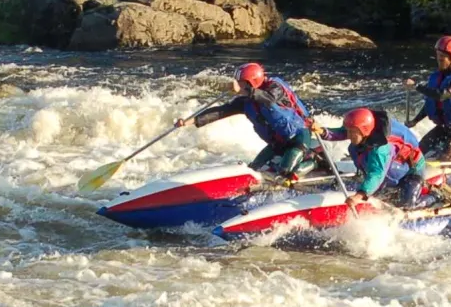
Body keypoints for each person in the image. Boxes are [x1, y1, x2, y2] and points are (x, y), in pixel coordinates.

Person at [177, 62, 323, 178]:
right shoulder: (245, 102)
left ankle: (315, 161)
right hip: (278, 143)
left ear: (252, 82)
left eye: (242, 82)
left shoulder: (275, 87)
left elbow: (269, 99)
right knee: (252, 170)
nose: (239, 86)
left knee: (285, 171)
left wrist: (246, 90)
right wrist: (188, 121)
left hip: (298, 136)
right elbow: (221, 112)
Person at [325, 107, 432, 208]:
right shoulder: (361, 134)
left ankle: (432, 198)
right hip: (388, 170)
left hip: (411, 171)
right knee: (354, 150)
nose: (348, 135)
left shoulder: (380, 149)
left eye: (352, 132)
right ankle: (379, 189)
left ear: (364, 131)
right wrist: (322, 131)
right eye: (348, 130)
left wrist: (360, 195)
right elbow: (341, 133)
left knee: (406, 205)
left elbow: (376, 174)